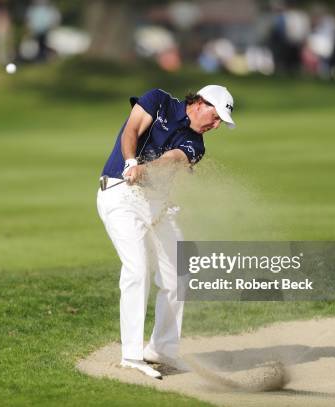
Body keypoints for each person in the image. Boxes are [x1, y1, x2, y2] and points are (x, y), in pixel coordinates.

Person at [96, 85, 236, 379]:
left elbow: (172, 159)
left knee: (178, 273)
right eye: (215, 116)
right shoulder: (158, 101)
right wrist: (131, 161)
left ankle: (163, 349)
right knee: (137, 270)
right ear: (200, 103)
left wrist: (144, 170)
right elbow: (132, 129)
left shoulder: (196, 144)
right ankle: (132, 356)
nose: (216, 124)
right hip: (119, 195)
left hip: (157, 204)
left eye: (221, 121)